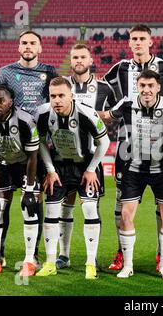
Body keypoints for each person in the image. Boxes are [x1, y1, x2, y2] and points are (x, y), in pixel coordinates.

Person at [104, 24, 163, 272]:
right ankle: (121, 253)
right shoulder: (120, 69)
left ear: (151, 41)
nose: (138, 42)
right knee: (122, 202)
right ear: (129, 43)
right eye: (134, 39)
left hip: (159, 147)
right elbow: (100, 90)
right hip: (125, 148)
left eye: (142, 38)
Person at [0, 30, 58, 267]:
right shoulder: (6, 72)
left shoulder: (50, 72)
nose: (28, 46)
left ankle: (34, 254)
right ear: (18, 47)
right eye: (24, 43)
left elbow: (58, 101)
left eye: (32, 43)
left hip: (38, 148)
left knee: (33, 201)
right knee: (3, 202)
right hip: (10, 147)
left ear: (40, 48)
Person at [35, 77, 110, 279]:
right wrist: (50, 170)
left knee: (88, 208)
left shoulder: (86, 113)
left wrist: (92, 168)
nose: (57, 100)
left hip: (86, 166)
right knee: (52, 209)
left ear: (71, 96)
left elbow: (104, 141)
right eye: (53, 96)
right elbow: (40, 142)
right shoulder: (42, 113)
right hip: (59, 166)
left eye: (61, 95)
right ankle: (51, 262)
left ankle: (90, 263)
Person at [55, 44, 117, 270]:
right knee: (65, 206)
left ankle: (93, 258)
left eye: (82, 57)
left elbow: (117, 112)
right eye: (74, 57)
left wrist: (103, 117)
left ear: (91, 61)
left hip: (91, 157)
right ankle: (64, 255)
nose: (78, 61)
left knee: (90, 207)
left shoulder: (104, 88)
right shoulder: (61, 85)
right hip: (64, 157)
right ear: (71, 61)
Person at [0, 84, 40, 277]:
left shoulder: (25, 121)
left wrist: (29, 189)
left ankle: (29, 262)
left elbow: (32, 156)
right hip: (3, 164)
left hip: (26, 166)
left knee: (28, 207)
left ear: (11, 102)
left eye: (0, 100)